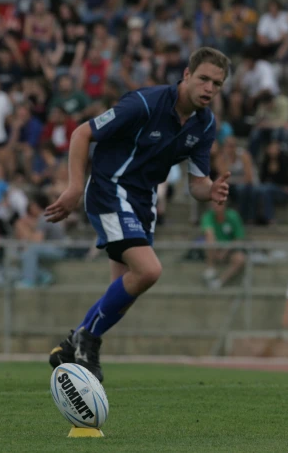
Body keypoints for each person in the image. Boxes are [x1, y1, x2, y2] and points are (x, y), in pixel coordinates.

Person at [45, 47, 231, 382]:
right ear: (187, 76)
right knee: (148, 270)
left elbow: (197, 184)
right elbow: (81, 133)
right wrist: (73, 188)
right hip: (109, 189)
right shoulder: (144, 103)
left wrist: (211, 190)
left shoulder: (205, 124)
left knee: (123, 293)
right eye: (204, 79)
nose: (209, 88)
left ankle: (74, 343)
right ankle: (88, 342)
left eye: (217, 84)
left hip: (143, 202)